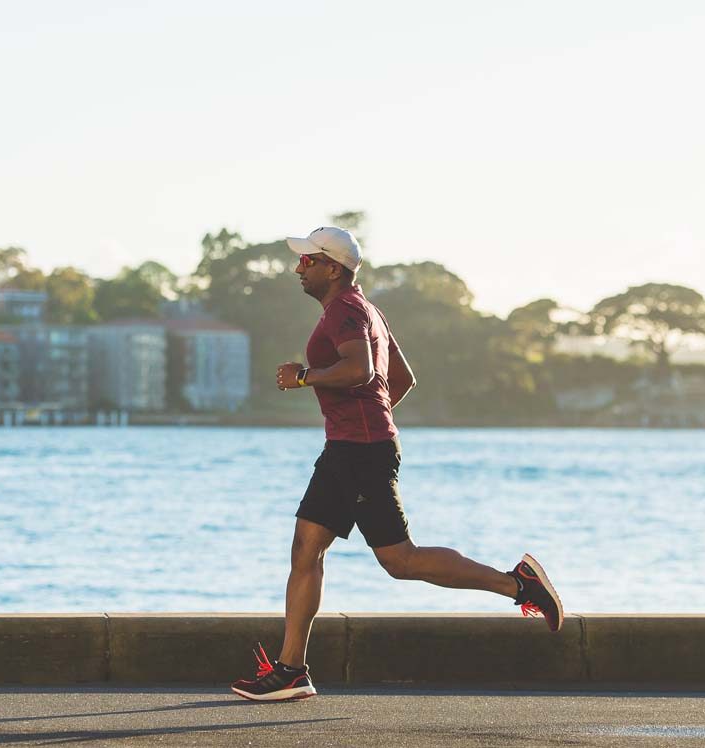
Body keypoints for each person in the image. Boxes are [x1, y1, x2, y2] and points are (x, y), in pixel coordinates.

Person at [230, 226, 562, 702]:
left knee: (400, 560)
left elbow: (363, 370)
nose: (299, 268)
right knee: (306, 548)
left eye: (308, 261)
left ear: (333, 267)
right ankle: (291, 670)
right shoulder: (367, 310)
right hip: (351, 448)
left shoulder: (346, 310)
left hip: (359, 453)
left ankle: (518, 584)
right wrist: (369, 418)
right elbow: (400, 378)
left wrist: (305, 377)